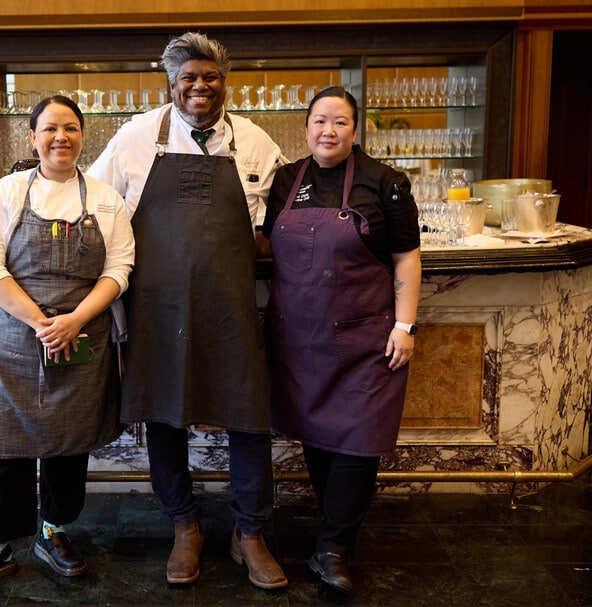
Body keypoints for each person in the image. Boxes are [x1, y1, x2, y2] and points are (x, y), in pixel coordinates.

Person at [87, 32, 289, 590]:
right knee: (163, 413)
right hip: (157, 303)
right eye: (188, 79)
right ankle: (184, 524)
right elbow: (96, 206)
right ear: (171, 85)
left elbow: (280, 220)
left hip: (233, 304)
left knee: (248, 415)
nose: (200, 87)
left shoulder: (254, 141)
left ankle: (251, 532)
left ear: (225, 82)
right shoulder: (135, 137)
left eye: (210, 77)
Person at [0, 95, 135, 594]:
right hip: (9, 338)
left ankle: (54, 531)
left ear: (83, 135)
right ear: (32, 137)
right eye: (49, 129)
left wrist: (74, 320)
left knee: (69, 441)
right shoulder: (5, 193)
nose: (60, 137)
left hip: (80, 336)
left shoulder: (106, 199)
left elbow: (119, 269)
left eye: (70, 128)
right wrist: (42, 323)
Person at [259, 86, 421, 597]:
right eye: (319, 121)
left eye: (340, 122)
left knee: (359, 442)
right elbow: (268, 246)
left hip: (366, 339)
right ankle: (332, 535)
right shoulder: (286, 179)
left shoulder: (386, 183)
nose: (328, 131)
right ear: (306, 127)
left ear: (355, 129)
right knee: (318, 436)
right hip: (299, 338)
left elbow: (406, 257)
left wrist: (405, 326)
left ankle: (334, 547)